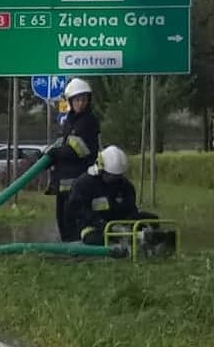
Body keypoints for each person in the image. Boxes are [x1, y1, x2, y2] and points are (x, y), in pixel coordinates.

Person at [66, 146, 171, 250]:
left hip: (121, 223)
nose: (115, 179)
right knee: (95, 239)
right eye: (112, 176)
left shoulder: (125, 185)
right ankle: (129, 240)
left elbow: (130, 209)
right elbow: (77, 210)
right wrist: (101, 224)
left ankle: (149, 238)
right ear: (101, 170)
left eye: (119, 176)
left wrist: (129, 222)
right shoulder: (83, 185)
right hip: (93, 226)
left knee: (152, 219)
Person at [44, 79, 101, 241]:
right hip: (64, 182)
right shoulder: (70, 121)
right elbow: (64, 145)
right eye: (77, 100)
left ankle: (77, 252)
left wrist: (55, 154)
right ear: (70, 101)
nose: (81, 103)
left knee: (75, 221)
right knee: (62, 220)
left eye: (84, 99)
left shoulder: (88, 121)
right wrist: (49, 155)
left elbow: (80, 150)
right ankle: (68, 250)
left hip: (79, 180)